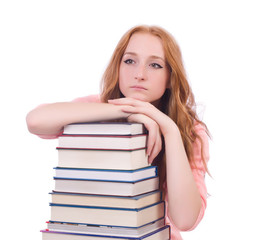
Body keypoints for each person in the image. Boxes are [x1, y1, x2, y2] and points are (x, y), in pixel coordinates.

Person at [26, 25, 209, 240]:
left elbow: (185, 220)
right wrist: (126, 109)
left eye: (155, 65)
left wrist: (168, 129)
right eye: (129, 61)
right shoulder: (96, 107)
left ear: (170, 77)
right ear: (118, 67)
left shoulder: (190, 130)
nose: (139, 75)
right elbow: (35, 120)